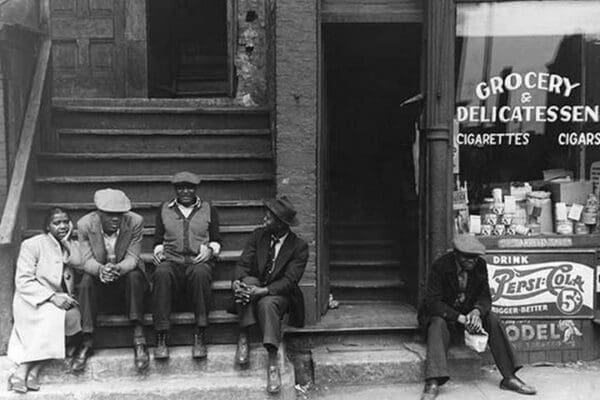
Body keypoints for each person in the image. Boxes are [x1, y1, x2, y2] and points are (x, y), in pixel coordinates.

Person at [418, 234, 537, 400]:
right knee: (437, 323)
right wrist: (460, 318)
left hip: (467, 315)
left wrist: (476, 312)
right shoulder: (440, 266)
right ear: (456, 254)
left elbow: (485, 296)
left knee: (493, 319)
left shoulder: (480, 266)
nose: (472, 261)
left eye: (475, 257)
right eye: (467, 257)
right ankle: (433, 381)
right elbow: (433, 303)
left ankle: (509, 377)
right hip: (444, 317)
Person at [231, 196, 308, 394]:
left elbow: (289, 282)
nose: (265, 220)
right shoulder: (259, 236)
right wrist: (237, 282)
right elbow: (243, 264)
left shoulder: (299, 247)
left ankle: (273, 362)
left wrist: (263, 291)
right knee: (246, 284)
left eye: (269, 218)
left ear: (282, 224)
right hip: (255, 285)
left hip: (280, 294)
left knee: (267, 304)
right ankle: (243, 335)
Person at [74, 189, 149, 372]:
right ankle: (87, 340)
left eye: (119, 214)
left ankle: (139, 337)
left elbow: (132, 257)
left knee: (135, 275)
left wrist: (118, 268)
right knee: (85, 282)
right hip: (100, 278)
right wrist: (101, 270)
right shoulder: (85, 224)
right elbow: (86, 259)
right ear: (99, 213)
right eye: (109, 215)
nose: (115, 219)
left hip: (125, 277)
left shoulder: (135, 221)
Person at [7, 208, 81, 393]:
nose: (62, 226)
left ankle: (33, 371)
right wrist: (51, 297)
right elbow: (23, 281)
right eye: (57, 223)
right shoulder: (32, 245)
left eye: (66, 222)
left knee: (71, 318)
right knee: (51, 318)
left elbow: (80, 264)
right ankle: (24, 371)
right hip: (32, 300)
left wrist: (66, 243)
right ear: (47, 226)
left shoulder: (72, 245)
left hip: (62, 300)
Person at [152, 171, 222, 359]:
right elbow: (158, 239)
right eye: (181, 188)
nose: (185, 191)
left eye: (189, 187)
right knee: (161, 273)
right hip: (173, 260)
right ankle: (161, 335)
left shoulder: (208, 208)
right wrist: (158, 252)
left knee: (201, 274)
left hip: (197, 261)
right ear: (175, 190)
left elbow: (216, 239)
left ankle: (200, 333)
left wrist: (210, 251)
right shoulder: (164, 208)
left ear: (196, 189)